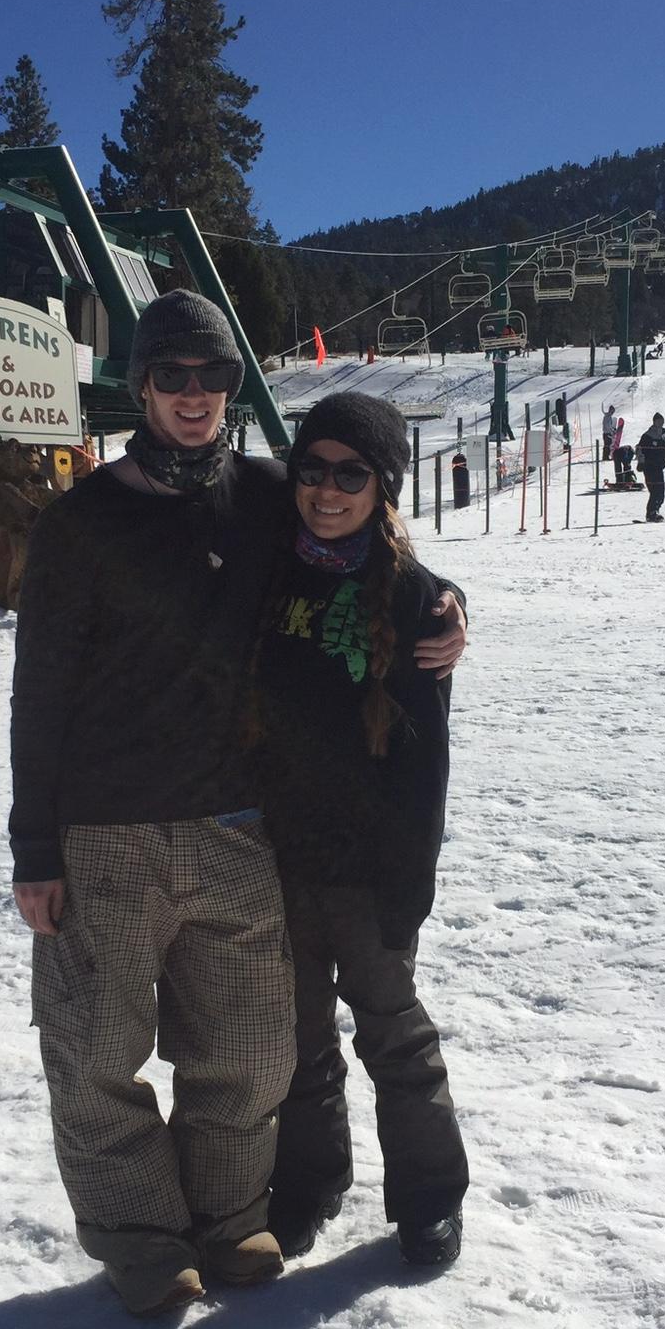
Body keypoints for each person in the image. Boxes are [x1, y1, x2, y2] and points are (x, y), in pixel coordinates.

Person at [10, 290, 467, 1317]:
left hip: (236, 828)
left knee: (250, 1054)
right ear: (139, 385)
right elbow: (37, 692)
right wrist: (35, 846)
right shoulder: (81, 522)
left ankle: (230, 1218)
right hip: (107, 829)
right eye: (172, 375)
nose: (193, 395)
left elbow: (381, 557)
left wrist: (446, 605)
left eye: (212, 375)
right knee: (98, 1052)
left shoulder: (264, 496)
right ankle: (142, 1240)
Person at [258, 392, 468, 1268]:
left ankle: (429, 1197)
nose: (327, 490)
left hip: (370, 867)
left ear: (384, 487)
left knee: (393, 1033)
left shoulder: (414, 599)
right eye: (312, 469)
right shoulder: (266, 568)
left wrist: (409, 881)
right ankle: (309, 1184)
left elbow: (425, 765)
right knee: (298, 1037)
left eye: (352, 475)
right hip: (277, 854)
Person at [0, 438, 57, 610]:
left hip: (29, 535)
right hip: (14, 537)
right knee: (20, 559)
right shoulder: (0, 485)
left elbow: (47, 495)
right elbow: (25, 508)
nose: (33, 451)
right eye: (17, 448)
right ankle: (13, 597)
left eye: (36, 448)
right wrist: (44, 515)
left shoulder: (26, 484)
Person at [636, 413, 665, 521]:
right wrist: (641, 463)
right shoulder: (647, 435)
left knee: (661, 492)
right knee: (654, 491)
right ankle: (651, 513)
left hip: (659, 468)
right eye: (658, 421)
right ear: (654, 422)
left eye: (662, 421)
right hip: (649, 467)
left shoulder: (664, 437)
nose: (660, 423)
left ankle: (655, 511)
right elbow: (640, 450)